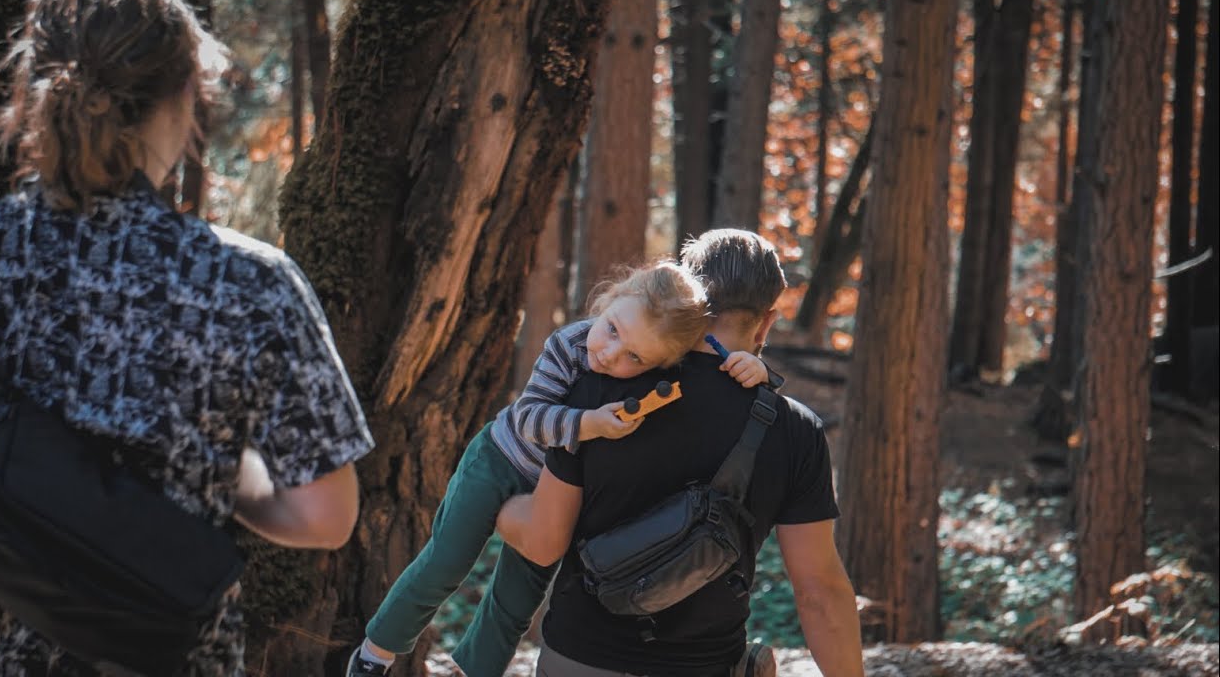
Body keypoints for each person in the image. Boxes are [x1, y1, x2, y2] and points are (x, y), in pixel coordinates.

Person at [0, 0, 374, 674]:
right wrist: (214, 462)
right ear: (185, 96)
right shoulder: (248, 283)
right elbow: (325, 515)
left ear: (29, 93)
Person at [347, 260, 776, 676]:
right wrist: (589, 424)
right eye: (611, 330)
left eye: (634, 358)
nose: (610, 355)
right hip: (501, 460)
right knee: (446, 562)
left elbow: (713, 363)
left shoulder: (657, 362)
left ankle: (476, 669)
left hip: (557, 493)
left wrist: (754, 365)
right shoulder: (569, 345)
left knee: (517, 598)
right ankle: (374, 653)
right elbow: (529, 417)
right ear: (611, 299)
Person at [497, 229, 865, 677]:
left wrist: (495, 500)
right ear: (767, 321)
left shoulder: (597, 391)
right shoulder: (795, 429)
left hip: (579, 660)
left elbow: (542, 541)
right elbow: (819, 592)